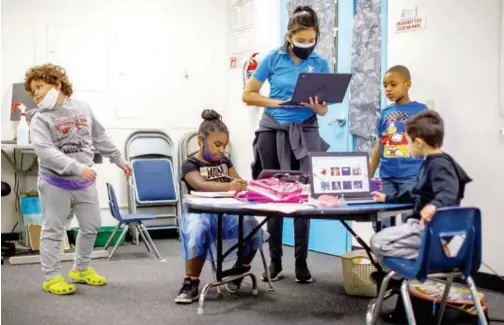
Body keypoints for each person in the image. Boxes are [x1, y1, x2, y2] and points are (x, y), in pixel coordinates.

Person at [25, 63, 132, 295]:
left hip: (84, 182)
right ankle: (52, 277)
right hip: (55, 183)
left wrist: (119, 160)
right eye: (33, 91)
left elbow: (99, 136)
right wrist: (75, 167)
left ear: (58, 84)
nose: (36, 94)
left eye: (40, 87)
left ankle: (80, 269)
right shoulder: (39, 119)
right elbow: (44, 151)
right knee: (53, 230)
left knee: (91, 225)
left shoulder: (83, 109)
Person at [242, 5, 330, 283]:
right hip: (273, 131)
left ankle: (301, 263)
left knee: (303, 197)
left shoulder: (320, 64)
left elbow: (325, 110)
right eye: (301, 39)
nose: (306, 44)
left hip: (305, 131)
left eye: (311, 40)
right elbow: (249, 95)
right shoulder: (272, 58)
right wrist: (274, 102)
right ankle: (276, 262)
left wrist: (318, 107)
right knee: (274, 196)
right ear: (289, 36)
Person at [370, 110, 472, 284]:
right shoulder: (434, 163)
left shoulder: (439, 165)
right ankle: (426, 258)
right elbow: (414, 194)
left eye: (408, 142)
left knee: (377, 242)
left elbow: (448, 191)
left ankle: (419, 263)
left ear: (418, 142)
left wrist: (434, 206)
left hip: (426, 229)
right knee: (383, 242)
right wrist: (387, 198)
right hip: (429, 230)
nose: (407, 146)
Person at [175, 109, 264, 304]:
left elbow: (238, 182)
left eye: (224, 145)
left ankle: (240, 269)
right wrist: (229, 186)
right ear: (201, 140)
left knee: (253, 227)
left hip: (228, 214)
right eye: (217, 144)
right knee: (197, 229)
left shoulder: (224, 160)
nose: (221, 150)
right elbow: (201, 185)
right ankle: (191, 282)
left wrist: (249, 185)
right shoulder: (190, 164)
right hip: (201, 214)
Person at [370, 66, 428, 212]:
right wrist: (367, 177)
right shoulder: (385, 113)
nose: (388, 89)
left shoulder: (420, 110)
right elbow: (379, 145)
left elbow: (429, 144)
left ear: (407, 85)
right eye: (385, 85)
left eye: (393, 84)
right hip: (387, 177)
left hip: (411, 176)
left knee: (411, 218)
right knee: (384, 220)